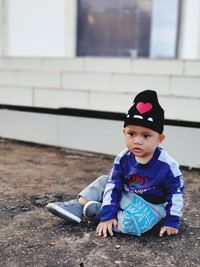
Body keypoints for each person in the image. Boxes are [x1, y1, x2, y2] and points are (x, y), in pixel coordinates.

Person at [47, 90, 184, 238]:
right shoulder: (123, 158)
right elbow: (114, 185)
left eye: (146, 136)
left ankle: (99, 212)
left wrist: (172, 221)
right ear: (124, 132)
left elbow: (175, 193)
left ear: (159, 139)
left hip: (149, 206)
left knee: (135, 223)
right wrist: (109, 213)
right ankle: (79, 205)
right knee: (104, 181)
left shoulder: (168, 166)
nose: (137, 141)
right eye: (131, 134)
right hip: (126, 194)